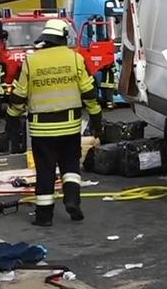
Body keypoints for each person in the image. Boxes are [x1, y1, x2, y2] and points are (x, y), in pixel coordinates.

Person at [6, 19, 102, 227]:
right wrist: (96, 117)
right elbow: (89, 92)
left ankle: (44, 217)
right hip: (70, 126)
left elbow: (19, 95)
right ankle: (72, 200)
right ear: (64, 37)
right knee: (70, 166)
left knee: (45, 171)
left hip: (41, 129)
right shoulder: (75, 58)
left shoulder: (32, 61)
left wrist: (12, 117)